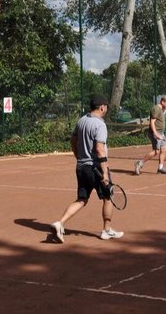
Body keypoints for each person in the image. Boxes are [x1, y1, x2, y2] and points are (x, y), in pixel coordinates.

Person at [50, 96, 123, 243]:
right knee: (108, 197)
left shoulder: (81, 120)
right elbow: (99, 149)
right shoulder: (100, 125)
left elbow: (72, 140)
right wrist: (104, 172)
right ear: (102, 107)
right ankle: (107, 231)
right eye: (106, 107)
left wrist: (79, 157)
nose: (106, 109)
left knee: (82, 199)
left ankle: (60, 223)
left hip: (81, 167)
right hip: (95, 167)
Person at [135, 96, 166, 175]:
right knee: (156, 152)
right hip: (155, 133)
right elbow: (152, 122)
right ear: (162, 102)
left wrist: (161, 134)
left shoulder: (161, 109)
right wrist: (156, 133)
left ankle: (160, 168)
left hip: (161, 133)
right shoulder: (156, 109)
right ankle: (140, 163)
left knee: (164, 149)